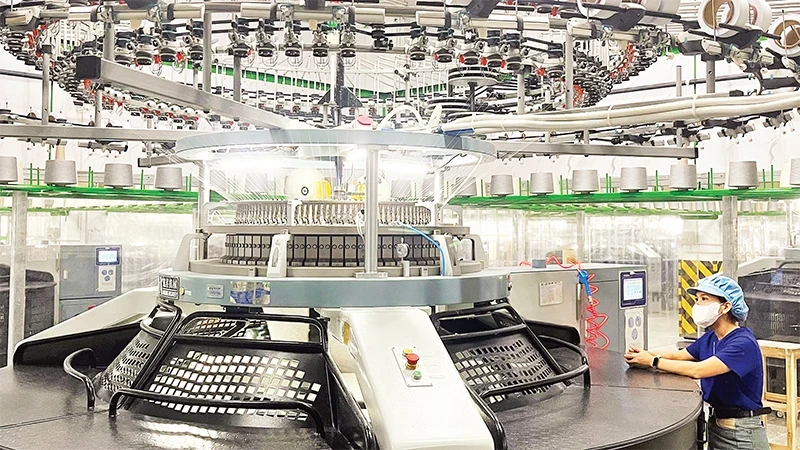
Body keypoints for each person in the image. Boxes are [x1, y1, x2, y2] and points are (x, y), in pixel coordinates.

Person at [624, 274, 769, 450]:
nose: (697, 305)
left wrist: (653, 361)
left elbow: (698, 370)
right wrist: (644, 354)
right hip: (717, 425)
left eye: (705, 299)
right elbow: (679, 355)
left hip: (742, 433)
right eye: (697, 299)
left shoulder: (742, 343)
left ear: (725, 306)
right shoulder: (711, 338)